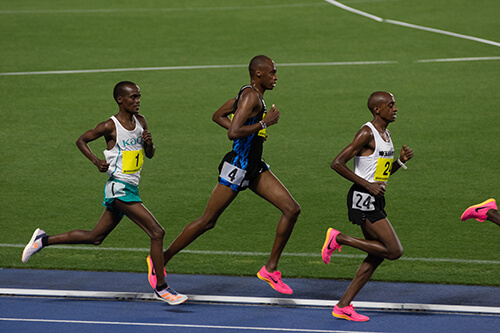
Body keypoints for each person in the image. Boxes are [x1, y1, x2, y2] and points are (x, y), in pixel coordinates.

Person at [21, 81, 187, 306]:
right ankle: (161, 287)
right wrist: (96, 161)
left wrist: (150, 144)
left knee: (95, 237)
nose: (137, 101)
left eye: (139, 97)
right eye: (133, 97)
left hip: (131, 187)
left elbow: (149, 155)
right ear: (120, 99)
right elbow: (81, 140)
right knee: (157, 232)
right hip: (118, 188)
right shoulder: (110, 126)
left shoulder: (141, 122)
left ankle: (44, 240)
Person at [148, 55, 301, 295]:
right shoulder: (251, 97)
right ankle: (161, 261)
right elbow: (233, 132)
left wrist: (254, 134)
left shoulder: (249, 95)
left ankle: (270, 269)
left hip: (254, 165)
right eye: (272, 72)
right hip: (238, 167)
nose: (276, 77)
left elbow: (217, 116)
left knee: (292, 209)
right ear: (258, 74)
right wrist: (264, 125)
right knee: (207, 221)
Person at [322, 91, 413, 321]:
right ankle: (338, 238)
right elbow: (337, 163)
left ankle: (343, 306)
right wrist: (368, 186)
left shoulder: (387, 133)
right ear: (377, 110)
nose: (395, 108)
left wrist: (400, 162)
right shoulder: (367, 133)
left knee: (376, 254)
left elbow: (379, 173)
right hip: (363, 197)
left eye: (395, 104)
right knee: (394, 251)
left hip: (374, 196)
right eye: (391, 105)